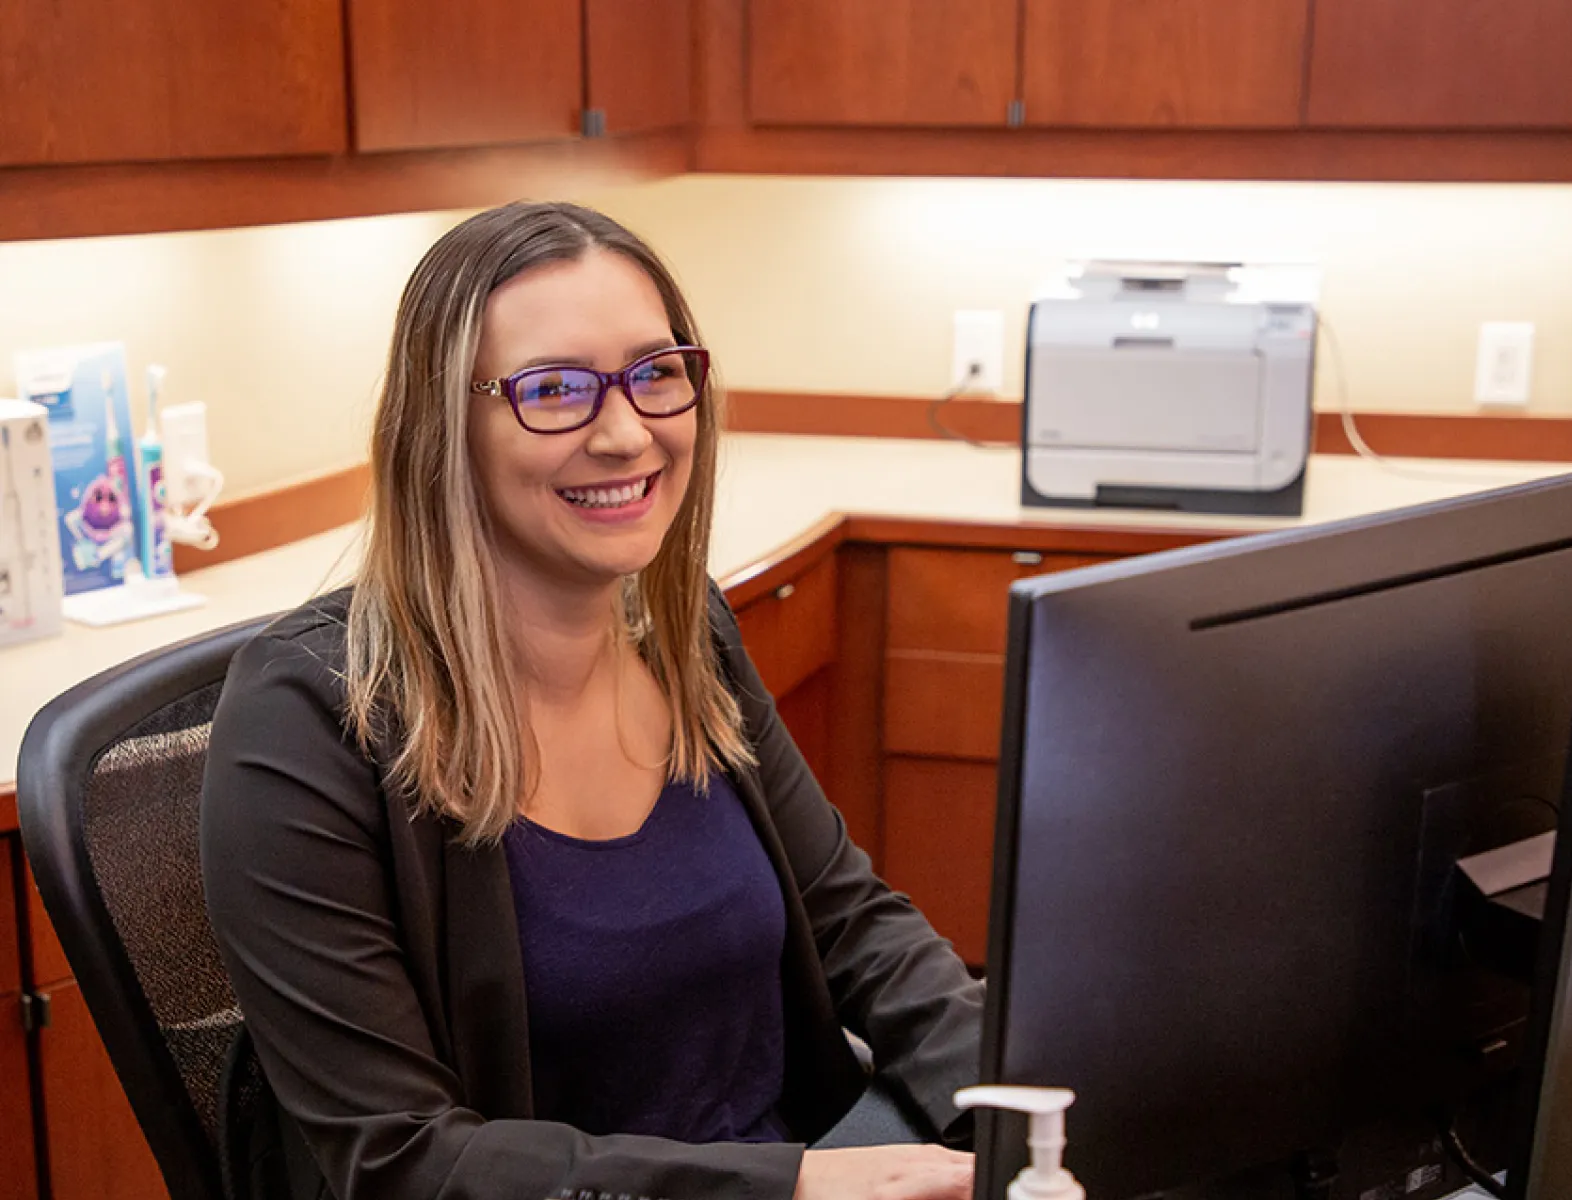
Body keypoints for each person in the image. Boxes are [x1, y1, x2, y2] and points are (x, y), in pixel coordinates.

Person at [199, 200, 984, 1200]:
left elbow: (852, 924)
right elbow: (398, 1158)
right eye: (554, 389)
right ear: (443, 428)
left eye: (656, 373)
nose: (626, 433)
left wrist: (1009, 1106)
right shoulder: (312, 721)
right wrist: (791, 1186)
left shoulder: (681, 633)